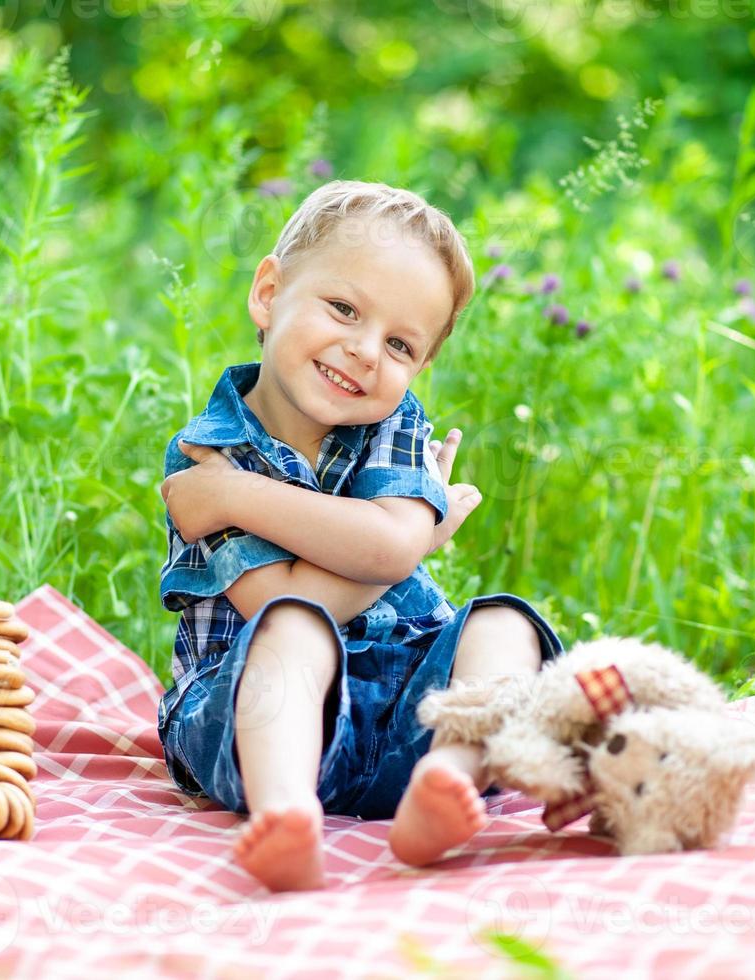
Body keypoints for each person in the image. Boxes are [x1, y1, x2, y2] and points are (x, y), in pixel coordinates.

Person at [157, 180, 564, 891]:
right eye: (342, 308)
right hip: (257, 721)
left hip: (409, 713)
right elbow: (281, 600)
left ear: (419, 366)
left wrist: (240, 500)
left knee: (505, 625)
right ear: (268, 294)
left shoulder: (392, 425)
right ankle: (286, 820)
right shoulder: (209, 454)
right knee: (293, 627)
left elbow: (388, 546)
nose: (364, 351)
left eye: (399, 344)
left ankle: (449, 778)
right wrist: (410, 537)